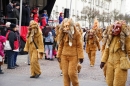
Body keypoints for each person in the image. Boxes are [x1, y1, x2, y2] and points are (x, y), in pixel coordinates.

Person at [100, 21, 130, 86]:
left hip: (120, 63)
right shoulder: (111, 37)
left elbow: (129, 50)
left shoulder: (126, 38)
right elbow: (106, 50)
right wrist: (103, 61)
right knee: (109, 82)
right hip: (110, 63)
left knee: (118, 83)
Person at [57, 18, 84, 86]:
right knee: (65, 74)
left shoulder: (77, 34)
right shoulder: (63, 34)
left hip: (73, 56)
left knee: (71, 73)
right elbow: (61, 45)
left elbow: (79, 46)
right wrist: (58, 55)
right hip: (64, 56)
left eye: (67, 26)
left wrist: (81, 56)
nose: (65, 28)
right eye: (64, 26)